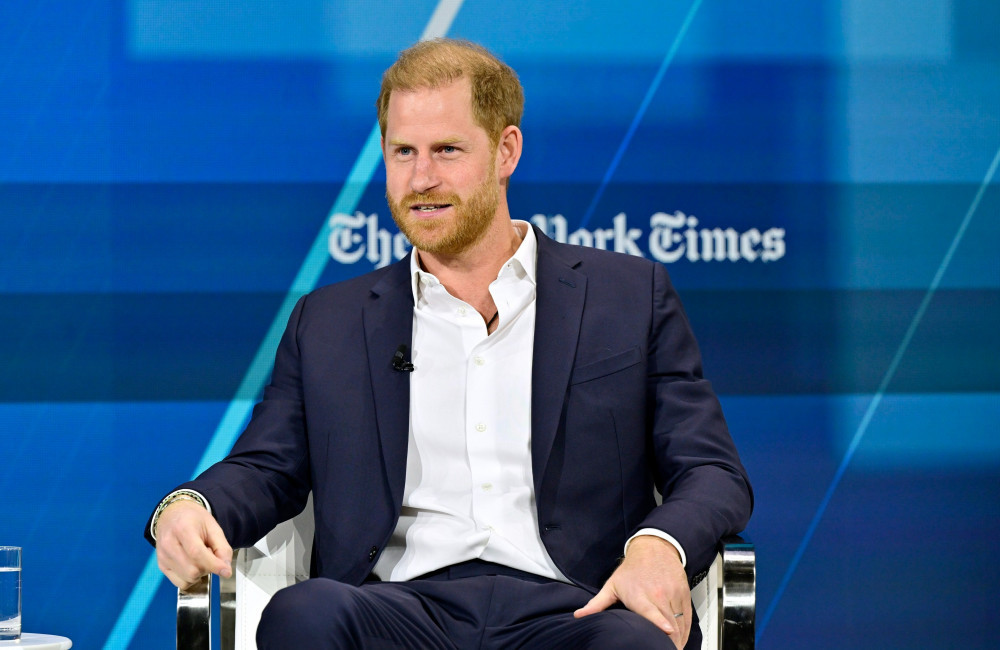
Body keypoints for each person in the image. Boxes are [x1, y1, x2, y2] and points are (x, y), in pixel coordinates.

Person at [147, 38, 752, 649]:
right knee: (304, 613)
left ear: (506, 151)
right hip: (396, 608)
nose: (421, 178)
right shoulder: (328, 321)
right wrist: (190, 505)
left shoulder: (628, 297)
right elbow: (266, 467)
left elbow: (711, 470)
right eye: (403, 151)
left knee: (634, 645)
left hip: (575, 610)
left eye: (447, 150)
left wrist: (659, 545)